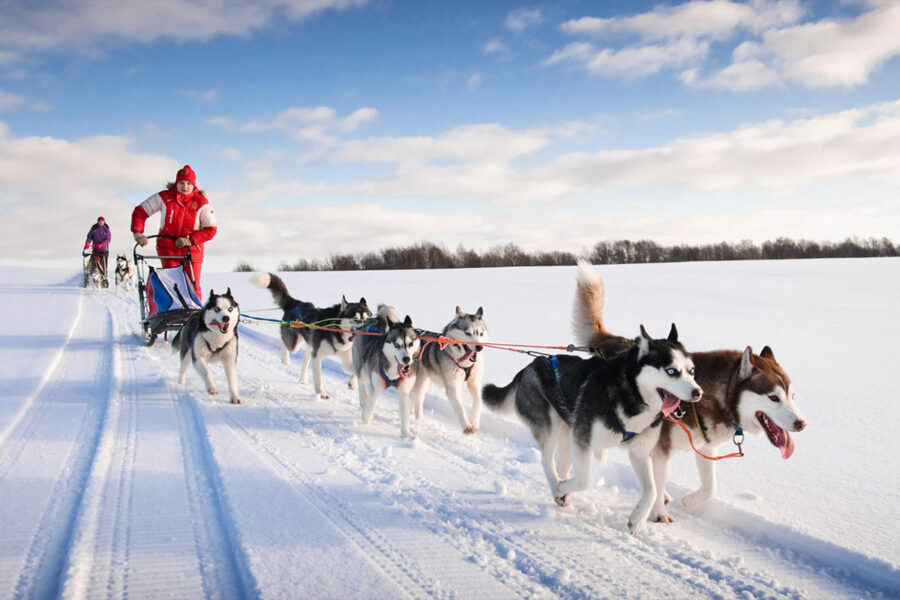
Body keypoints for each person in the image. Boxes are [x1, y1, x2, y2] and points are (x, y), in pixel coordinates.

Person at [131, 165, 217, 296]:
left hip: (192, 251)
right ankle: (173, 315)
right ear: (176, 183)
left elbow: (211, 229)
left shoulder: (201, 202)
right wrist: (138, 233)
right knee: (172, 286)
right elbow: (140, 212)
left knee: (192, 286)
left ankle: (194, 314)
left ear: (194, 185)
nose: (185, 186)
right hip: (168, 249)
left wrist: (189, 240)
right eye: (181, 183)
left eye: (189, 183)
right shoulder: (165, 197)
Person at [83, 216, 111, 284]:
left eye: (102, 221)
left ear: (104, 222)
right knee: (93, 263)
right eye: (99, 221)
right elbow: (89, 236)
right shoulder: (94, 229)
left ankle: (104, 278)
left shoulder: (106, 229)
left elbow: (108, 239)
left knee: (103, 265)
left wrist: (102, 244)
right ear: (98, 222)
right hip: (95, 249)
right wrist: (87, 243)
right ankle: (91, 277)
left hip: (104, 250)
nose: (101, 222)